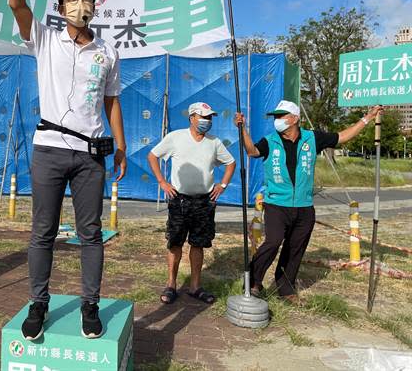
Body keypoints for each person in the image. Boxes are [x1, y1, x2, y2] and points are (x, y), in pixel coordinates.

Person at [9, 0, 127, 340]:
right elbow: (17, 4)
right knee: (42, 232)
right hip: (50, 150)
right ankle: (38, 305)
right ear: (61, 7)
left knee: (90, 233)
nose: (82, 4)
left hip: (92, 153)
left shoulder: (108, 51)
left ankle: (89, 306)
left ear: (95, 4)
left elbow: (111, 100)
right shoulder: (44, 39)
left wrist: (122, 144)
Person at [235, 100, 383, 303]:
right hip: (277, 204)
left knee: (295, 248)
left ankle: (286, 288)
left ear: (294, 119)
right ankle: (253, 281)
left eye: (281, 116)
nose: (277, 120)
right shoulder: (270, 141)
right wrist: (242, 129)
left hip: (304, 206)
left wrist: (367, 118)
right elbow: (252, 151)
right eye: (275, 117)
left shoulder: (312, 138)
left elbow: (342, 137)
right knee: (273, 241)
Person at [148, 102, 236, 305]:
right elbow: (152, 156)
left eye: (210, 117)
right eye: (203, 117)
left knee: (198, 244)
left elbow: (231, 163)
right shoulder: (176, 138)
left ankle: (195, 286)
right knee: (175, 242)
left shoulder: (214, 142)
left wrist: (222, 185)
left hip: (204, 202)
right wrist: (162, 182)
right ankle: (171, 284)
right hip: (179, 200)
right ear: (192, 118)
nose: (207, 121)